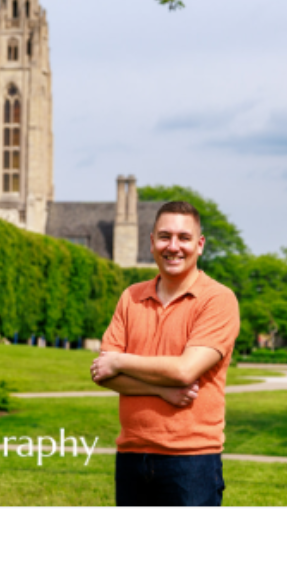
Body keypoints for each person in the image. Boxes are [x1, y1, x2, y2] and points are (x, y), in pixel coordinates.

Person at [89, 200, 241, 507]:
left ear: (199, 245)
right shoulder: (131, 296)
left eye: (184, 238)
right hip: (132, 454)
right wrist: (160, 390)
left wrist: (120, 360)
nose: (173, 246)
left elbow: (185, 371)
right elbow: (103, 375)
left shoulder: (218, 299)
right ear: (151, 242)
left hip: (191, 459)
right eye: (164, 236)